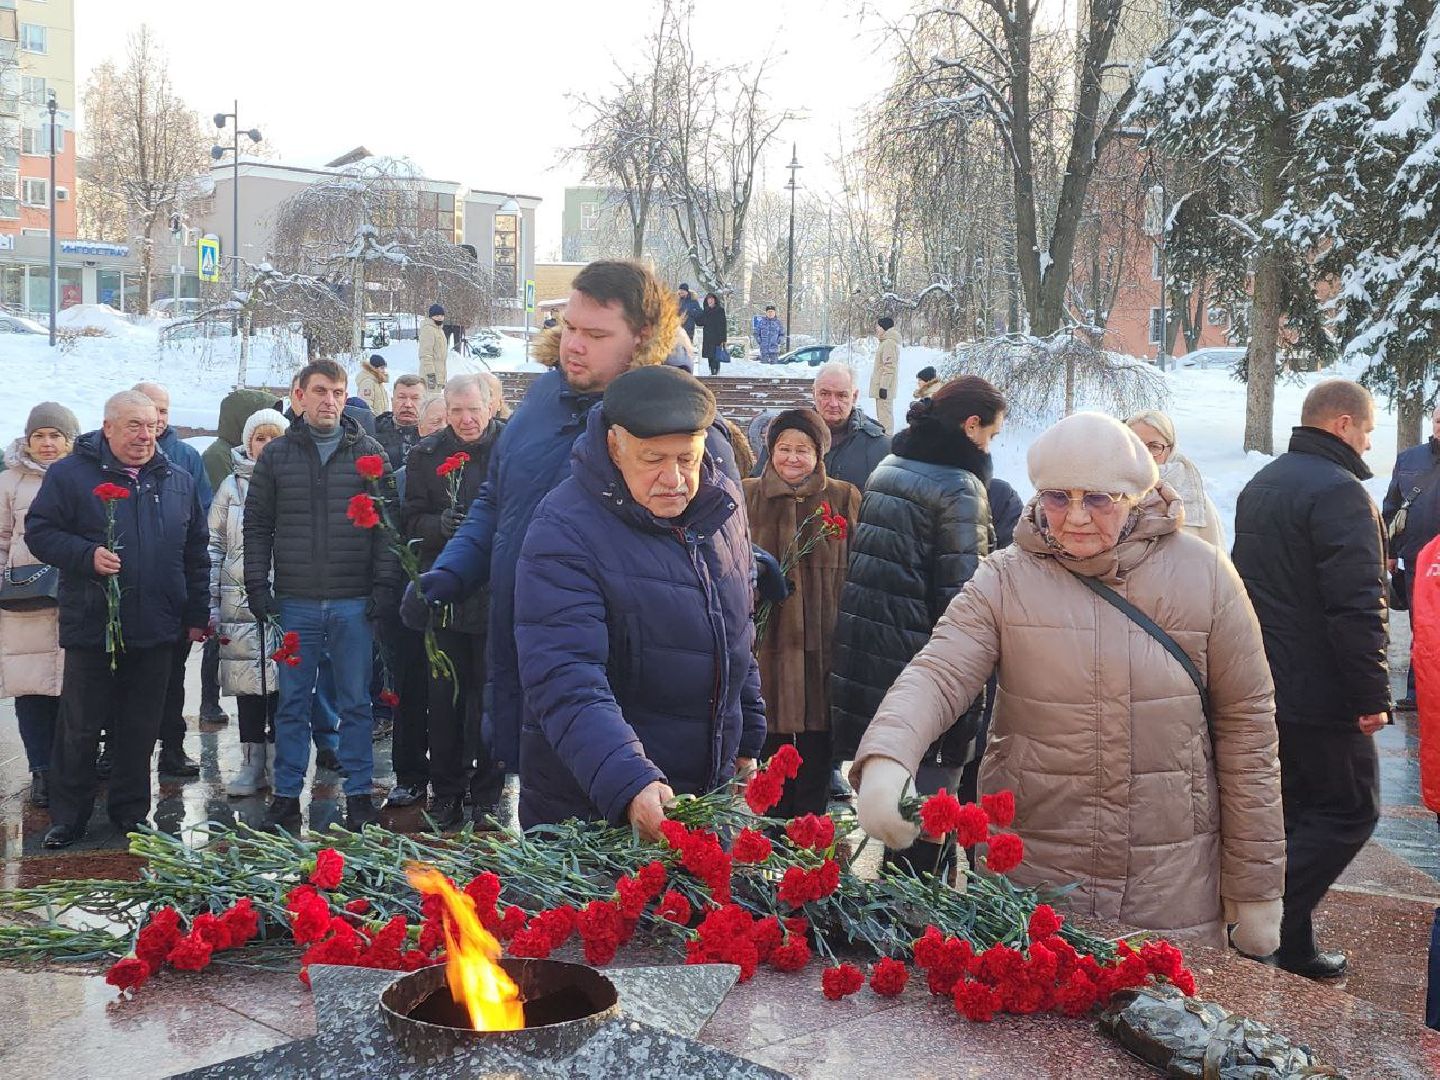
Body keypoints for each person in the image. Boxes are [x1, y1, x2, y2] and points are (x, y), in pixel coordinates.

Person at [851, 411, 1285, 955]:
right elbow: (939, 672)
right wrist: (889, 757)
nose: (1076, 517)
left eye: (1098, 499)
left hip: (1168, 881)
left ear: (1133, 495)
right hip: (1034, 874)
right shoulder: (1005, 577)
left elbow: (1248, 731)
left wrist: (1255, 887)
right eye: (1058, 497)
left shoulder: (1207, 576)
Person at [411, 259, 739, 788]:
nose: (574, 346)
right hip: (536, 659)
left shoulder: (679, 425)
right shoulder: (545, 397)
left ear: (642, 337)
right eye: (570, 327)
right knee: (548, 815)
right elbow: (497, 498)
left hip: (624, 703)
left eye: (596, 334)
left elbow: (714, 547)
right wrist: (451, 573)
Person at [512, 365, 764, 833]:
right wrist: (629, 782)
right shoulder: (564, 528)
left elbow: (737, 632)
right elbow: (565, 675)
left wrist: (747, 737)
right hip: (596, 808)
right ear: (615, 446)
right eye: (653, 459)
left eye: (687, 458)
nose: (674, 478)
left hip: (703, 796)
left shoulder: (722, 505)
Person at [1231, 379, 1389, 978]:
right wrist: (1370, 694)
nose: (1369, 443)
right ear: (1343, 424)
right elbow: (1357, 604)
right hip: (1323, 690)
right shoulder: (1342, 493)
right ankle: (1260, 928)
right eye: (1368, 430)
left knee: (1295, 815)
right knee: (1350, 811)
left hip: (1266, 680)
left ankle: (1291, 945)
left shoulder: (1264, 482)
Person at [831, 377, 1004, 875]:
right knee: (929, 823)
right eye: (990, 435)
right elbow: (966, 605)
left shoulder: (890, 466)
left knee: (896, 813)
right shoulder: (959, 487)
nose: (990, 446)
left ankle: (891, 911)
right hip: (929, 677)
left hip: (874, 664)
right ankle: (917, 917)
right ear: (971, 426)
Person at [27, 390, 210, 848]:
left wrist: (196, 612)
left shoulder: (177, 479)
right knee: (80, 726)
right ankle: (69, 816)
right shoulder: (70, 475)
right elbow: (40, 532)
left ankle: (130, 812)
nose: (145, 435)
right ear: (107, 428)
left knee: (140, 726)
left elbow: (195, 552)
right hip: (93, 624)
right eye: (133, 425)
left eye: (150, 425)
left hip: (156, 625)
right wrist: (85, 555)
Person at [243, 359, 401, 833]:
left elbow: (388, 528)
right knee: (292, 703)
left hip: (353, 601)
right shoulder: (277, 455)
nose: (329, 401)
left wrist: (384, 586)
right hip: (297, 601)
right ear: (299, 396)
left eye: (337, 392)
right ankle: (287, 796)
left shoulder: (370, 452)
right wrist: (257, 585)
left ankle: (359, 794)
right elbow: (257, 526)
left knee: (355, 702)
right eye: (320, 391)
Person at [397, 375, 506, 829]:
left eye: (473, 410)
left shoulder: (509, 449)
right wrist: (438, 524)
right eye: (456, 411)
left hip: (496, 592)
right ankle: (446, 793)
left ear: (489, 406)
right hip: (446, 598)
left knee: (490, 701)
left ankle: (487, 796)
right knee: (444, 701)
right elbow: (409, 521)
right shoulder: (426, 455)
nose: (465, 419)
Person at [743, 408, 860, 815]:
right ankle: (770, 838)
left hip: (822, 646)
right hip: (766, 648)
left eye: (803, 450)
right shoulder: (746, 495)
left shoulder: (843, 497)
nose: (792, 458)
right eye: (784, 448)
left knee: (816, 755)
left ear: (819, 453)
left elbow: (859, 568)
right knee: (769, 759)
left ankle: (811, 835)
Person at [0, 402, 80, 807]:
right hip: (25, 600)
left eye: (55, 436)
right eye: (39, 436)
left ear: (70, 440)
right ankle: (42, 770)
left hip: (73, 595)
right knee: (31, 687)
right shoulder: (9, 481)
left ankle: (72, 767)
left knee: (74, 687)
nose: (47, 443)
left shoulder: (83, 475)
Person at [134, 382, 214, 779]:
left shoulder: (186, 457)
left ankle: (172, 747)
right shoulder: (117, 455)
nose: (158, 418)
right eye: (151, 409)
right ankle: (119, 750)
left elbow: (201, 518)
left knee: (172, 677)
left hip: (174, 588)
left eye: (164, 410)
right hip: (129, 590)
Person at [210, 409, 288, 797]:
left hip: (283, 596)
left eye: (275, 438)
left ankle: (280, 760)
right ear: (248, 443)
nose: (267, 445)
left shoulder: (293, 481)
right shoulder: (230, 487)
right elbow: (214, 544)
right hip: (238, 601)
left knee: (283, 685)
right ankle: (251, 762)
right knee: (247, 686)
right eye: (260, 438)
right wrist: (211, 600)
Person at [754, 362, 891, 492]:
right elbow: (756, 490)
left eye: (841, 395)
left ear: (854, 397)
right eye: (825, 394)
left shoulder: (878, 446)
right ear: (813, 393)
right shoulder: (783, 434)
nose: (833, 403)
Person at [1382, 407, 1440, 711]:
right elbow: (1392, 507)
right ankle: (1418, 693)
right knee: (1422, 626)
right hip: (1418, 560)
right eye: (1439, 420)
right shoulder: (1409, 459)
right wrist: (1391, 551)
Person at [1127, 409, 1225, 547]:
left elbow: (1215, 555)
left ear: (1171, 449)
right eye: (1135, 446)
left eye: (1154, 447)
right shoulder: (1107, 493)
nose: (1144, 455)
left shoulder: (1195, 500)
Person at [375, 373, 424, 470]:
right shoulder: (374, 429)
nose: (408, 404)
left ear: (425, 403)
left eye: (415, 398)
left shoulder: (434, 433)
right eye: (402, 397)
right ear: (392, 400)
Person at [870, 316, 900, 433]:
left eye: (878, 326)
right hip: (882, 388)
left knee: (885, 419)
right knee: (883, 417)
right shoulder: (885, 342)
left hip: (884, 389)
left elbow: (889, 367)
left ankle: (886, 441)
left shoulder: (888, 343)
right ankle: (885, 439)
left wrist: (883, 387)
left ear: (884, 327)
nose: (876, 329)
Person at [419, 303, 448, 391]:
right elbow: (426, 354)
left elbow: (441, 358)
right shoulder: (428, 329)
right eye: (437, 316)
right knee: (430, 399)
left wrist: (443, 378)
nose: (440, 318)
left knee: (437, 398)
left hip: (438, 377)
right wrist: (430, 375)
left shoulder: (440, 330)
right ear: (431, 317)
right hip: (430, 378)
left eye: (442, 316)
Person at [699, 293, 728, 376]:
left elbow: (723, 325)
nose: (710, 300)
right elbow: (700, 322)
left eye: (712, 299)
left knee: (716, 356)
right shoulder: (705, 311)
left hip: (717, 338)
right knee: (710, 356)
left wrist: (724, 339)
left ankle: (715, 372)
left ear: (715, 300)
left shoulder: (720, 310)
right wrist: (697, 314)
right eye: (708, 299)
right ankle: (712, 372)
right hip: (708, 338)